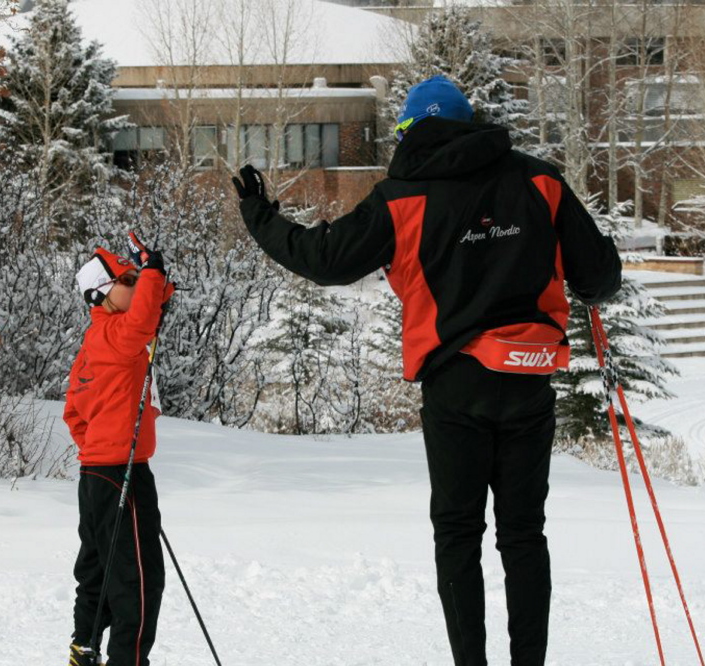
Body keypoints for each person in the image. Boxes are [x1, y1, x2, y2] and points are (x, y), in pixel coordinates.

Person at [232, 74, 622, 665]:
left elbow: (324, 261)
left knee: (459, 536)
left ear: (409, 132)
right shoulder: (539, 180)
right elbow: (599, 278)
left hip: (456, 388)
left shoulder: (401, 198)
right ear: (469, 123)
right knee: (524, 536)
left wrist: (260, 214)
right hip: (529, 378)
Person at [63, 243, 176, 666]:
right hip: (122, 474)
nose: (136, 286)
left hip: (96, 475)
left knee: (98, 568)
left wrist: (155, 278)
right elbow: (143, 321)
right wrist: (152, 274)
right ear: (101, 294)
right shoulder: (116, 335)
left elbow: (73, 412)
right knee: (141, 580)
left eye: (135, 280)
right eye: (126, 281)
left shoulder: (97, 341)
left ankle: (84, 646)